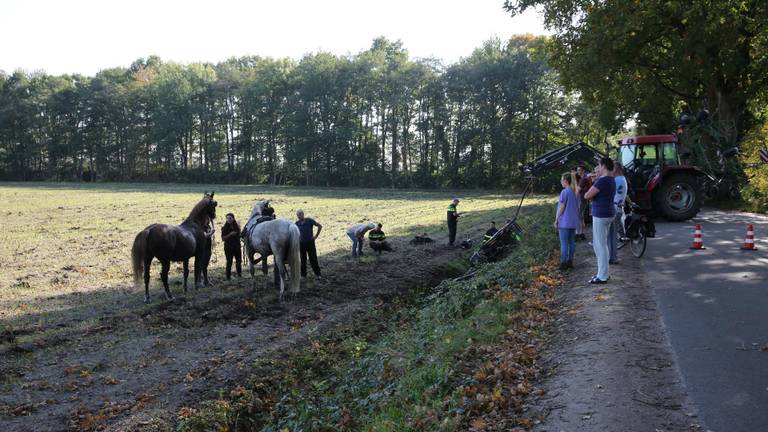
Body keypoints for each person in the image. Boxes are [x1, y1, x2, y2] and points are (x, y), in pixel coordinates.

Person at [584, 157, 616, 284]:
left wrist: (593, 182)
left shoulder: (602, 181)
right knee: (602, 245)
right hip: (608, 213)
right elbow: (594, 197)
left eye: (599, 165)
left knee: (600, 246)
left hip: (601, 215)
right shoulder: (611, 180)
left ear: (603, 166)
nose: (598, 168)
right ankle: (603, 273)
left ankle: (602, 276)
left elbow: (587, 195)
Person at [555, 173, 580, 270]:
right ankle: (570, 261)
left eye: (561, 180)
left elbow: (562, 206)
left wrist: (556, 218)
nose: (560, 181)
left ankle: (563, 263)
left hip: (564, 222)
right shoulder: (574, 191)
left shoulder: (564, 192)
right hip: (573, 222)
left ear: (565, 180)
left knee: (564, 244)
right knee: (571, 243)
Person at [295, 209, 323, 278]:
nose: (299, 216)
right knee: (302, 259)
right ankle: (303, 275)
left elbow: (319, 226)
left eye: (300, 214)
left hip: (310, 243)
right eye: (298, 215)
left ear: (303, 214)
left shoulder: (309, 220)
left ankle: (318, 274)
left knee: (313, 258)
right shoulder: (296, 223)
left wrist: (316, 236)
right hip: (301, 244)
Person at [609, 164, 628, 264]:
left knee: (612, 235)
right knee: (613, 234)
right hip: (619, 208)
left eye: (612, 168)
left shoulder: (616, 180)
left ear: (616, 169)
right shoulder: (623, 179)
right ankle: (613, 256)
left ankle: (613, 257)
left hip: (615, 209)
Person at [221, 213, 242, 280]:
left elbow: (240, 235)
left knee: (239, 261)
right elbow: (223, 238)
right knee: (229, 262)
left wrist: (240, 231)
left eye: (230, 218)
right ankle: (228, 276)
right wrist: (230, 234)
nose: (228, 219)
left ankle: (239, 274)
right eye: (227, 218)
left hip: (237, 247)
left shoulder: (237, 226)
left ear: (233, 218)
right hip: (228, 247)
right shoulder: (224, 228)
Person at [577, 166, 592, 241]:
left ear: (583, 171)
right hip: (584, 200)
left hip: (582, 200)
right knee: (581, 216)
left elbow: (577, 191)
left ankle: (579, 233)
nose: (578, 172)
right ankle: (581, 233)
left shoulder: (583, 179)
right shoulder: (584, 178)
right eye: (577, 170)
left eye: (579, 170)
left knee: (579, 216)